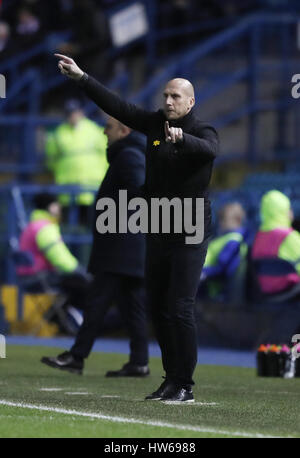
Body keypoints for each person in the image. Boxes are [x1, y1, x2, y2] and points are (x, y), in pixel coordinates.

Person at [53, 53, 219, 402]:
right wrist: (82, 77)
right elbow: (120, 106)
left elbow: (209, 150)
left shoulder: (202, 130)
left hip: (189, 227)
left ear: (191, 102)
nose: (169, 101)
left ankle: (185, 384)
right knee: (157, 307)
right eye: (166, 96)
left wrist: (182, 140)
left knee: (180, 306)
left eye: (176, 96)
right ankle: (171, 379)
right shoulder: (155, 124)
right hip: (159, 226)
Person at [41, 116, 149, 377]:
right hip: (127, 248)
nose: (104, 131)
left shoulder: (129, 156)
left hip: (120, 248)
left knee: (97, 302)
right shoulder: (130, 154)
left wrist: (117, 222)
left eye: (110, 127)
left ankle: (77, 357)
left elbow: (139, 195)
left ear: (124, 130)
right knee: (131, 307)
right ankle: (139, 362)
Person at [17, 193, 91, 319]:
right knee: (86, 285)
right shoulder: (45, 228)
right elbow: (59, 258)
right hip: (40, 278)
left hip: (28, 278)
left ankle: (58, 318)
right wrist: (80, 270)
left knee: (77, 286)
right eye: (57, 205)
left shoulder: (31, 226)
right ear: (51, 207)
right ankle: (60, 319)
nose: (60, 208)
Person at [45, 99, 108, 222]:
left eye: (74, 112)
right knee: (70, 228)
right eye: (69, 113)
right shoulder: (59, 133)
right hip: (67, 190)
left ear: (81, 112)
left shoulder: (94, 130)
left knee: (93, 225)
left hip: (91, 188)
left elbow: (107, 153)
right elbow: (51, 159)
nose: (72, 116)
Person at [251, 190, 300, 295]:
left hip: (264, 292)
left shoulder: (258, 236)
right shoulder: (290, 236)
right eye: (288, 208)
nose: (291, 212)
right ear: (283, 211)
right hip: (290, 291)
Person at [200, 202, 248, 301]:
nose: (221, 223)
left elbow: (223, 268)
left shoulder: (233, 241)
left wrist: (202, 273)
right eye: (220, 219)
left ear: (237, 220)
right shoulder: (228, 238)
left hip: (213, 289)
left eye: (224, 220)